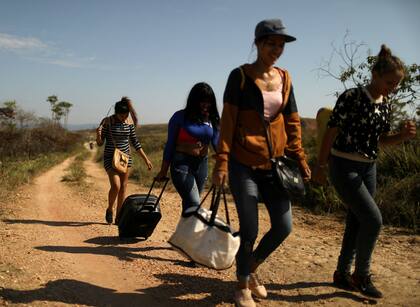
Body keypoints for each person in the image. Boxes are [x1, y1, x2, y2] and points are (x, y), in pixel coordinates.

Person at [212, 19, 311, 307]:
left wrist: (300, 157)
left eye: (280, 45)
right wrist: (222, 162)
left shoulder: (285, 78)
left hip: (275, 164)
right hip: (243, 164)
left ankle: (250, 268)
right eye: (271, 44)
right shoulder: (240, 77)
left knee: (284, 226)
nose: (277, 50)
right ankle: (242, 285)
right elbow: (228, 121)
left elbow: (292, 122)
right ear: (257, 44)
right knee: (250, 229)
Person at [312, 45, 416, 298]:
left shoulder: (385, 104)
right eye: (389, 82)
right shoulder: (352, 97)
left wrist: (401, 136)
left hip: (369, 167)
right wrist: (320, 166)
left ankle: (342, 273)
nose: (392, 88)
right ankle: (362, 275)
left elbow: (379, 141)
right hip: (343, 166)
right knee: (373, 219)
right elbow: (331, 132)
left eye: (396, 84)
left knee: (357, 221)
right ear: (375, 75)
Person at [156, 82, 220, 214]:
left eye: (209, 102)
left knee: (189, 206)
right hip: (181, 164)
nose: (206, 105)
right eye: (202, 101)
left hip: (202, 164)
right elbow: (170, 145)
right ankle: (192, 233)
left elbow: (216, 142)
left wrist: (225, 163)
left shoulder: (212, 119)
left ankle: (185, 234)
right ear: (194, 101)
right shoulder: (179, 117)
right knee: (194, 204)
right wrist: (163, 171)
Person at [96, 98, 153, 224]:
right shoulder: (108, 122)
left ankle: (119, 217)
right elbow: (100, 143)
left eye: (126, 115)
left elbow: (135, 142)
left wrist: (146, 159)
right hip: (110, 159)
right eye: (122, 116)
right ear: (116, 113)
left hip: (125, 159)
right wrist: (98, 134)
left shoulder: (129, 122)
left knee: (123, 187)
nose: (124, 118)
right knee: (115, 186)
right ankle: (110, 209)